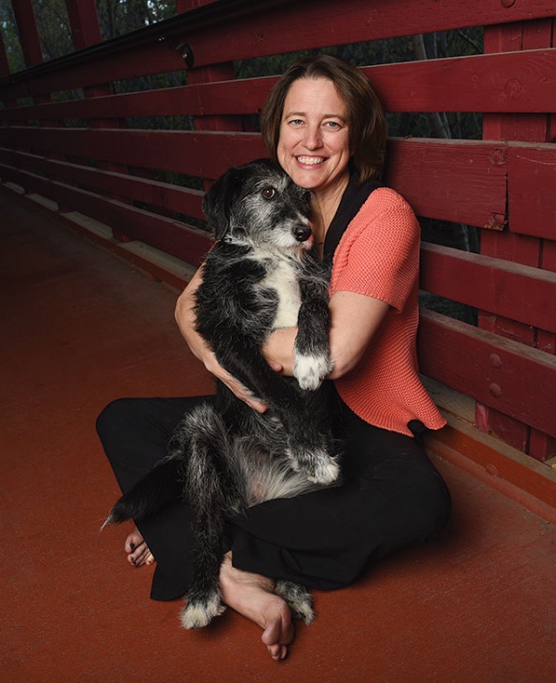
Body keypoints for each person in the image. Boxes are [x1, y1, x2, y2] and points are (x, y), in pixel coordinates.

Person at [96, 55, 451, 661]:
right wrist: (222, 353)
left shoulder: (384, 216)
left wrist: (231, 344)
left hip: (353, 418)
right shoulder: (262, 199)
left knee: (422, 505)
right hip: (261, 410)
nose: (310, 142)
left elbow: (333, 355)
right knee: (122, 419)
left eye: (332, 124)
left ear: (358, 134)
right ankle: (216, 548)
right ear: (276, 129)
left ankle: (215, 551)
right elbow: (187, 308)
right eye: (296, 121)